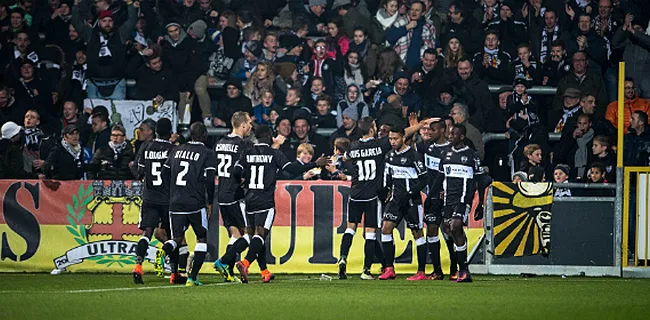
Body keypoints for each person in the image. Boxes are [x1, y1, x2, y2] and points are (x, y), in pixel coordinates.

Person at [233, 124, 291, 284]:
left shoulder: (247, 152)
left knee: (255, 237)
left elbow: (236, 172)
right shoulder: (274, 154)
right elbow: (291, 169)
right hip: (265, 200)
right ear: (269, 136)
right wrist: (314, 164)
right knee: (260, 235)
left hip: (249, 200)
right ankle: (244, 263)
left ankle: (264, 271)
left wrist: (241, 182)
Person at [161, 122, 216, 287]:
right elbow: (210, 180)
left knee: (176, 239)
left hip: (175, 201)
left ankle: (163, 251)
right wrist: (210, 202)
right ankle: (192, 278)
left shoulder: (176, 150)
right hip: (195, 202)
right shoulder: (207, 153)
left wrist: (172, 192)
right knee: (201, 238)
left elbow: (164, 173)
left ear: (190, 135)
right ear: (205, 135)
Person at [430, 124, 483, 283]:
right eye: (449, 133)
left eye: (453, 134)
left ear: (462, 137)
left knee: (455, 226)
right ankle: (461, 267)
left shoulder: (472, 155)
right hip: (449, 200)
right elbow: (440, 178)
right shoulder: (445, 154)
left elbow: (480, 180)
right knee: (450, 230)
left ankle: (464, 270)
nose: (450, 136)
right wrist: (432, 198)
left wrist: (479, 203)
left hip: (463, 199)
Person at [212, 112, 258, 282]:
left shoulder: (219, 143)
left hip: (222, 193)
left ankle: (228, 273)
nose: (251, 127)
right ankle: (223, 261)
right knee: (250, 235)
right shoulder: (243, 144)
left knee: (235, 235)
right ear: (243, 125)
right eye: (249, 123)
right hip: (236, 194)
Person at [132, 118, 179, 285]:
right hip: (167, 199)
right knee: (173, 236)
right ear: (170, 132)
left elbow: (138, 171)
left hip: (149, 197)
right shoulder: (173, 149)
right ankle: (174, 273)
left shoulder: (146, 146)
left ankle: (138, 265)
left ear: (156, 131)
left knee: (147, 233)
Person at [378, 126, 428, 281]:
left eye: (396, 139)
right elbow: (388, 177)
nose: (393, 142)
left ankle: (421, 272)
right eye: (390, 139)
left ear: (403, 138)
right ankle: (389, 268)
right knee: (386, 228)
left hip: (412, 200)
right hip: (396, 200)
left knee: (417, 233)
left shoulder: (414, 156)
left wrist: (410, 193)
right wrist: (385, 189)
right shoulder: (389, 156)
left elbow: (424, 179)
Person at [422, 120, 452, 280]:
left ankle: (455, 268)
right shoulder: (427, 146)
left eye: (432, 130)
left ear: (441, 131)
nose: (429, 132)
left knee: (449, 230)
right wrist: (417, 124)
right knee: (432, 230)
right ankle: (437, 270)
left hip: (447, 197)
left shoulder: (450, 150)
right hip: (432, 197)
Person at [386, 0, 435, 69]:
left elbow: (431, 47)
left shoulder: (429, 26)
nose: (414, 12)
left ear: (423, 13)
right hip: (400, 64)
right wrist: (406, 28)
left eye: (417, 10)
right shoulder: (400, 22)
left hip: (420, 66)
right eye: (412, 9)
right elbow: (390, 38)